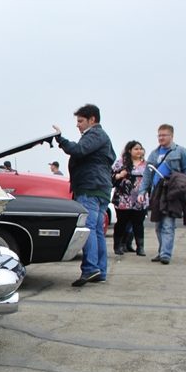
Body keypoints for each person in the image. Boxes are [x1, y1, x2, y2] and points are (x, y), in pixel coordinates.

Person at [53, 104, 115, 286]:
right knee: (96, 231)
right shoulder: (101, 137)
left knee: (88, 229)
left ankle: (91, 269)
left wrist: (60, 139)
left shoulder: (95, 134)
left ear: (92, 120)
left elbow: (78, 150)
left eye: (80, 121)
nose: (77, 125)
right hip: (100, 188)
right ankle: (100, 271)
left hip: (90, 189)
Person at [138, 124, 186, 264]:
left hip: (172, 193)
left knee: (168, 224)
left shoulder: (181, 152)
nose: (161, 138)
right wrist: (143, 191)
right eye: (159, 135)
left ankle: (165, 254)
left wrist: (181, 182)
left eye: (164, 135)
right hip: (158, 193)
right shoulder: (154, 153)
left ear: (172, 136)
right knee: (158, 225)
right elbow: (147, 174)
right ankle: (161, 250)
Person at [111, 140, 148, 256]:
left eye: (140, 149)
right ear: (129, 150)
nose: (139, 151)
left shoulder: (146, 164)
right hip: (123, 198)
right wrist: (119, 175)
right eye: (136, 149)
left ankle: (140, 247)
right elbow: (110, 176)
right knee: (121, 223)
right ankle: (118, 246)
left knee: (138, 223)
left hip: (140, 199)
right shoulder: (121, 163)